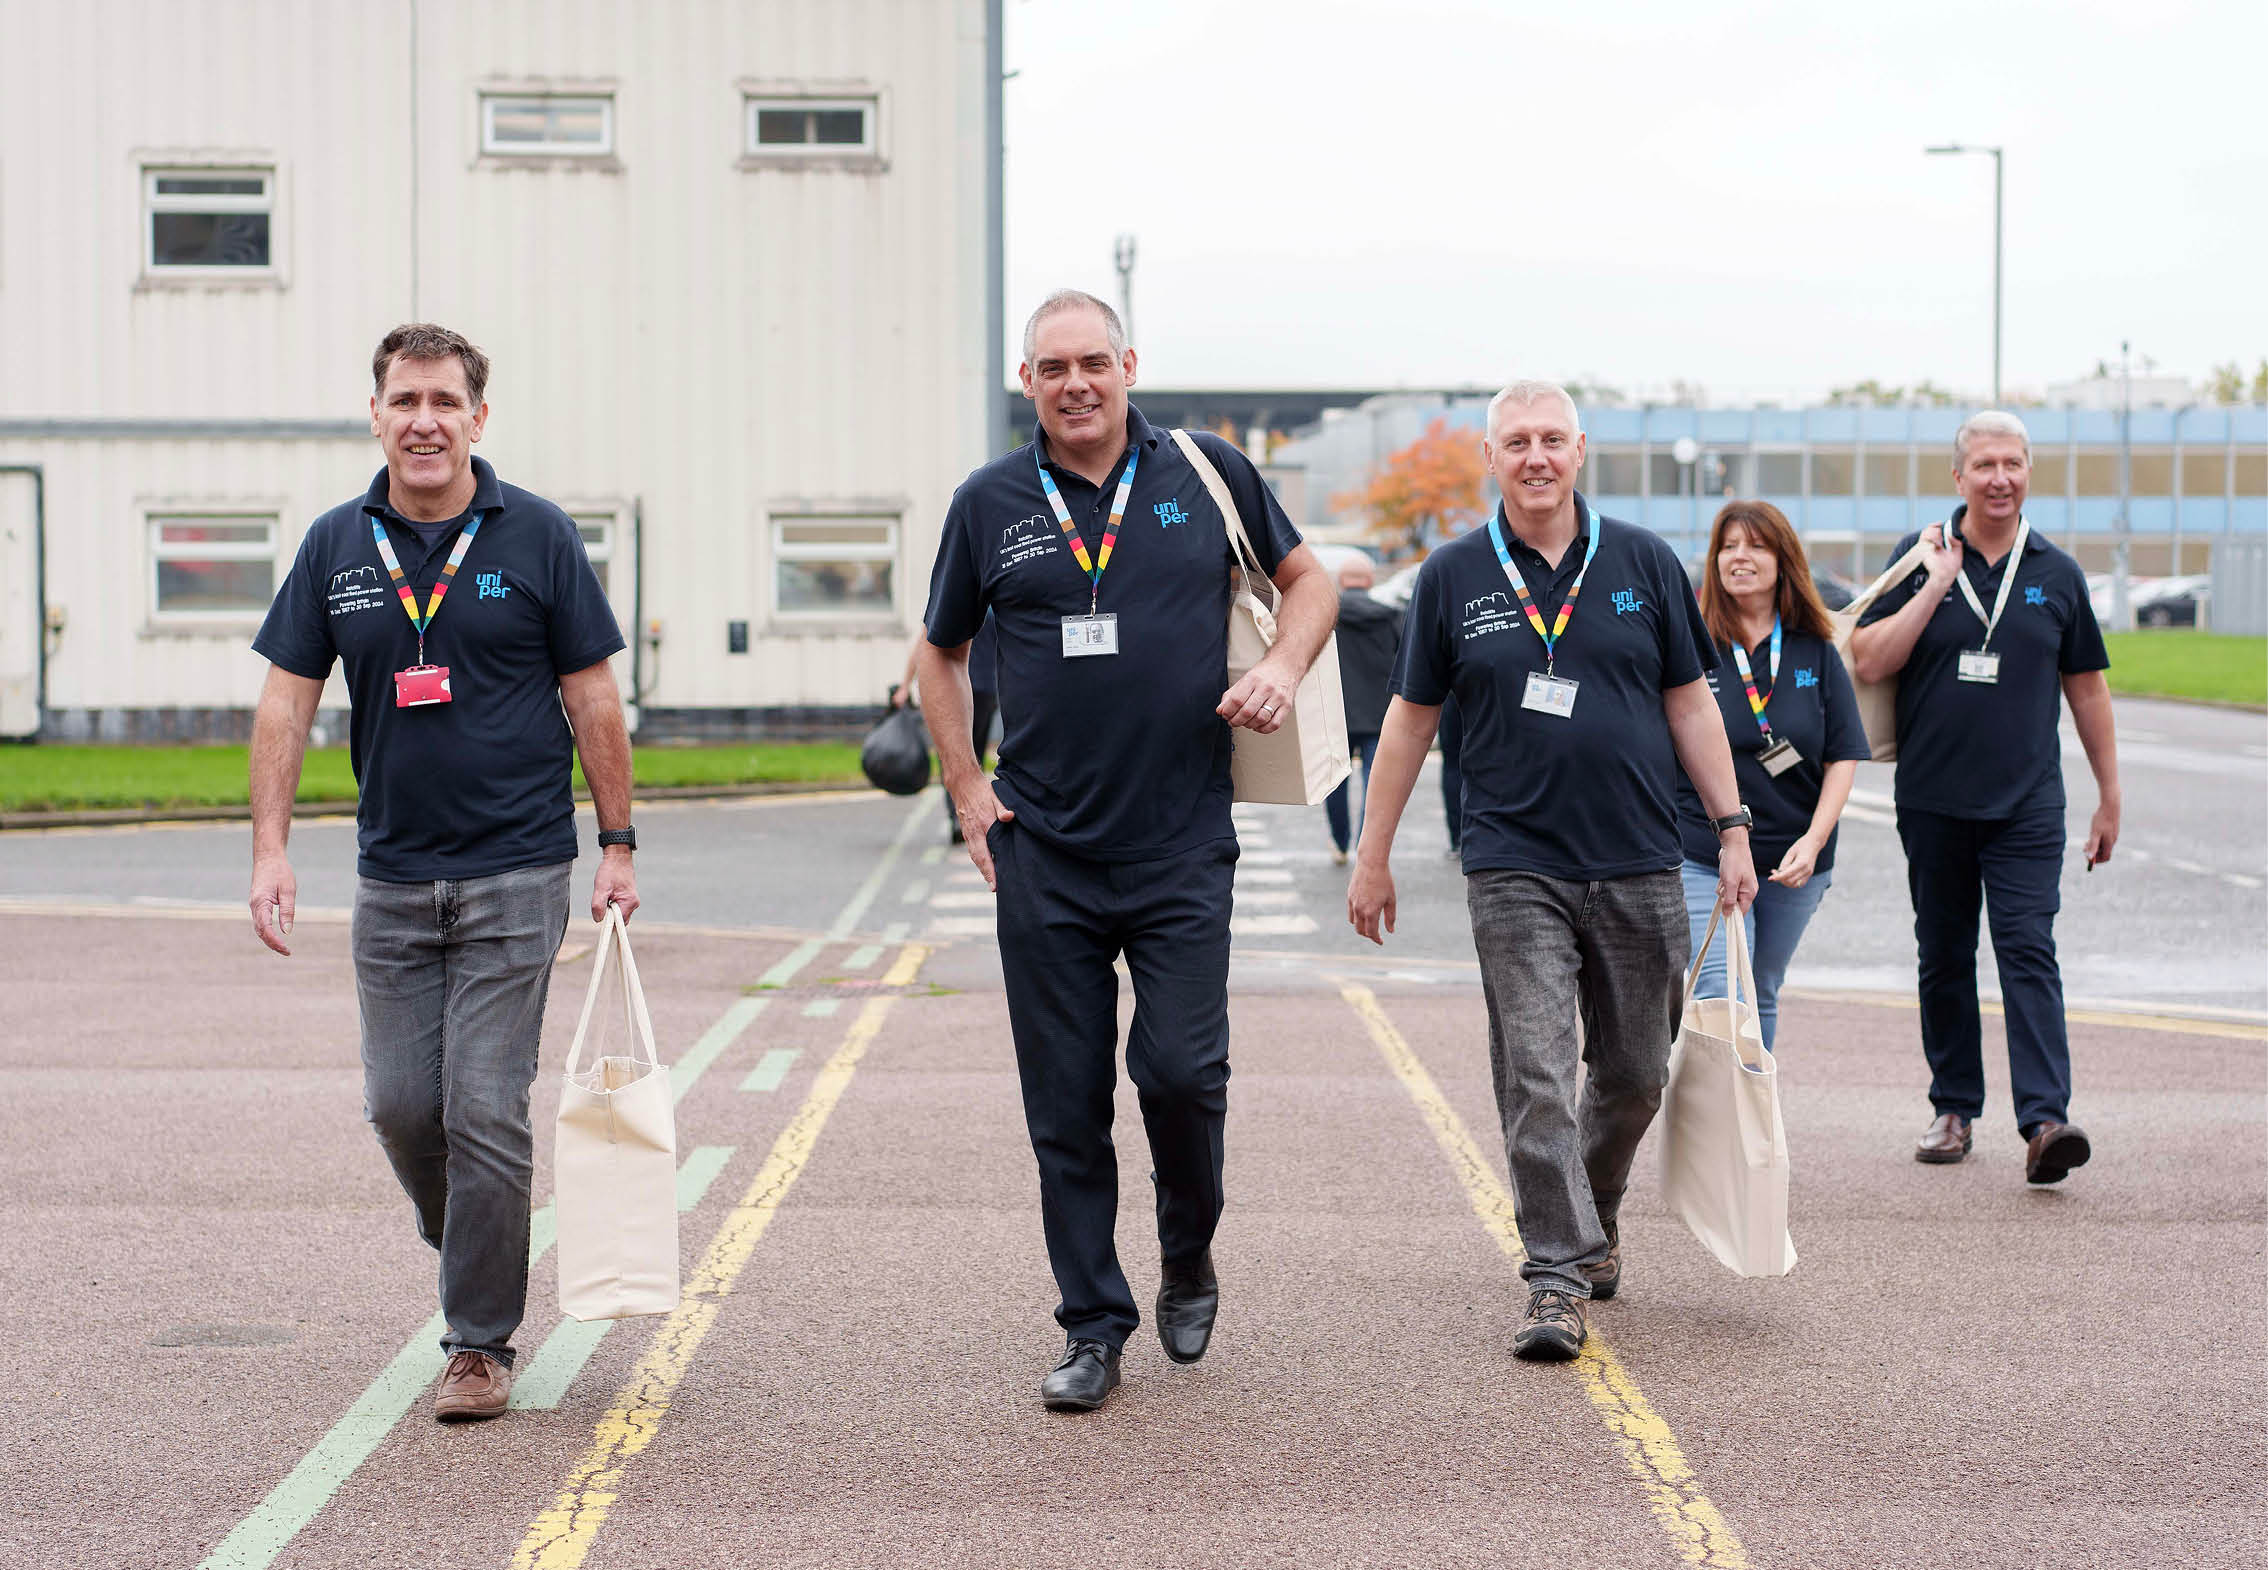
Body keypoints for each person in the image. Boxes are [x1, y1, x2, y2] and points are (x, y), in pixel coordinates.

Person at [917, 289, 1335, 1412]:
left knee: (1184, 1075)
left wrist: (1282, 667)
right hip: (1043, 848)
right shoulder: (989, 501)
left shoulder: (1205, 472)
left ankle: (1187, 1253)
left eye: (1093, 362)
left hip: (1182, 842)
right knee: (1065, 1105)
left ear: (1129, 365)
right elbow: (940, 652)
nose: (1076, 385)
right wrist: (967, 789)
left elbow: (1312, 581)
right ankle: (1092, 1325)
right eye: (1053, 368)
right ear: (1028, 382)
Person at [246, 323, 637, 1422]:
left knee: (485, 1107)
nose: (425, 421)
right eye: (406, 401)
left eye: (445, 402)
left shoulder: (538, 535)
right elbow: (285, 701)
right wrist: (271, 848)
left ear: (478, 417)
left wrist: (617, 841)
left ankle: (479, 1342)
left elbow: (592, 696)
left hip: (517, 869)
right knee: (401, 1106)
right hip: (391, 878)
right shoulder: (335, 545)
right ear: (376, 416)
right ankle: (473, 1233)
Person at [1346, 381, 1755, 1362]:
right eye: (1517, 441)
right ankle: (1556, 1276)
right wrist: (1373, 852)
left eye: (1552, 440)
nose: (1536, 457)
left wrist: (1732, 826)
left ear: (1580, 451)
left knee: (1635, 1074)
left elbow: (1691, 704)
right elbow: (1409, 722)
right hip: (1512, 864)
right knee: (1534, 1073)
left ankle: (1595, 1204)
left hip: (1640, 857)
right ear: (1490, 458)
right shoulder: (1452, 575)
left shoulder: (1644, 563)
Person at [1850, 410, 2118, 1184]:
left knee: (2027, 949)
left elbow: (2088, 690)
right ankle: (1954, 1108)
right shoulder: (1918, 557)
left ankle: (2045, 1120)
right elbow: (1868, 659)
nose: (2001, 478)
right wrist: (1936, 582)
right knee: (1943, 954)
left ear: (2029, 472)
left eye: (2014, 464)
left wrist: (2109, 795)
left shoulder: (2057, 573)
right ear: (1958, 476)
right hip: (1932, 798)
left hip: (2027, 804)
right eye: (1986, 465)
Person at [1675, 501, 1869, 1050]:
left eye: (1756, 546)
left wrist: (1815, 841)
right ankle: (1719, 1105)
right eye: (1728, 546)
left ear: (1783, 561)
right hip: (1703, 852)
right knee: (1721, 992)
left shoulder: (1816, 650)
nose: (1740, 557)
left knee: (1760, 989)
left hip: (1793, 860)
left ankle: (1752, 1101)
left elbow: (1844, 755)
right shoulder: (1691, 644)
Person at [1324, 555, 1403, 863]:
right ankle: (1363, 845)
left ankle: (1340, 842)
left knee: (1335, 783)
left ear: (1341, 582)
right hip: (1380, 714)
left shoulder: (1327, 616)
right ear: (1370, 581)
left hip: (1337, 714)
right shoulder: (1391, 617)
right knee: (1375, 782)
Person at [897, 612, 997, 841]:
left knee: (960, 756)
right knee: (966, 756)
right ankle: (966, 816)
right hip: (973, 690)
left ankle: (963, 816)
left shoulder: (963, 598)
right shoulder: (992, 602)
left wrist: (905, 685)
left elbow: (924, 644)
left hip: (970, 689)